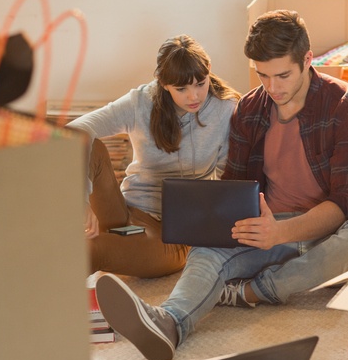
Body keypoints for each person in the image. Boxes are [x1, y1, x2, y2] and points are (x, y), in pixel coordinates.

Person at [95, 10, 348, 360]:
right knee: (208, 249)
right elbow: (235, 188)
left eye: (282, 75)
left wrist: (280, 234)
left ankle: (252, 292)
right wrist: (221, 226)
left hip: (328, 231)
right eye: (262, 75)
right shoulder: (250, 110)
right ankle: (169, 322)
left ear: (308, 60)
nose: (273, 87)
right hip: (265, 227)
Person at [68, 35, 240, 279]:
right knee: (91, 146)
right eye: (181, 88)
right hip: (127, 212)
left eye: (200, 83)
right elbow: (75, 130)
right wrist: (80, 198)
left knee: (94, 250)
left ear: (209, 71)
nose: (194, 96)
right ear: (163, 83)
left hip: (174, 234)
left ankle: (45, 290)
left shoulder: (226, 108)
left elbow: (228, 181)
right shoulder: (141, 102)